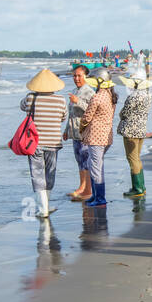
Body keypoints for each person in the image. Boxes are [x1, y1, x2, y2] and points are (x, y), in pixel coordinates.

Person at [19, 69, 68, 219]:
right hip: (53, 142)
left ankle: (43, 208)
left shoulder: (30, 99)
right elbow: (63, 117)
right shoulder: (61, 100)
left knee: (37, 173)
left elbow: (22, 107)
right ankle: (47, 204)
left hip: (34, 143)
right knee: (49, 173)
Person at [80, 74, 118, 207]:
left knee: (95, 166)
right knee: (94, 163)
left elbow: (87, 116)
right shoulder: (111, 96)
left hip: (96, 137)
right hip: (106, 136)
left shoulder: (97, 97)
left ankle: (100, 198)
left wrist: (81, 125)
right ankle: (95, 195)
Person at [116, 76, 152, 198]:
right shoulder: (147, 95)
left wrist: (121, 114)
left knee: (132, 158)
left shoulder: (133, 96)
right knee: (137, 157)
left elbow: (125, 112)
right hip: (141, 130)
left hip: (130, 131)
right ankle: (141, 186)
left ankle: (137, 188)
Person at [65, 66, 96, 201]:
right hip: (74, 131)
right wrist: (66, 130)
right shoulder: (74, 91)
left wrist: (78, 102)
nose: (76, 78)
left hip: (85, 132)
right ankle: (81, 186)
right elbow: (71, 113)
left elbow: (92, 110)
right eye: (74, 76)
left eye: (79, 76)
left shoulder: (89, 92)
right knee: (79, 160)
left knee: (85, 160)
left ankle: (87, 189)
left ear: (85, 76)